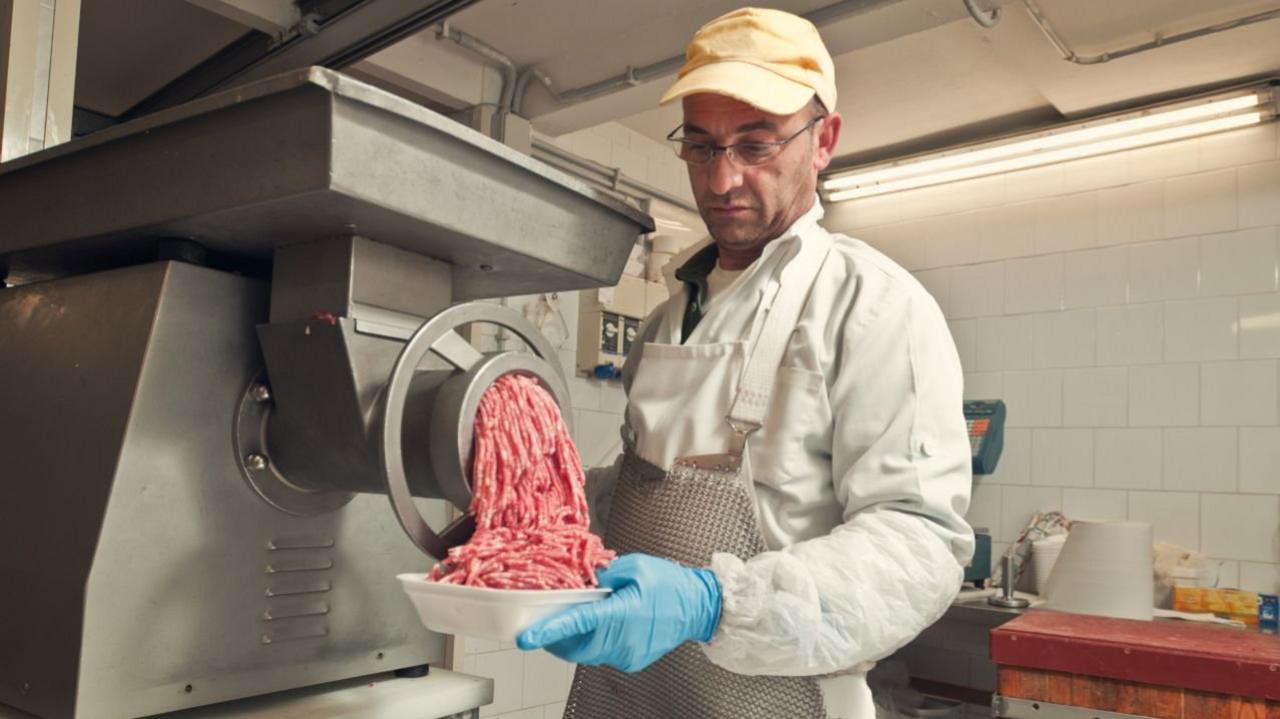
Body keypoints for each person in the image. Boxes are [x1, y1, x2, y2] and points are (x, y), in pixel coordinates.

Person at [517, 8, 974, 718]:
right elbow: (646, 494)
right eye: (700, 147)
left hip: (780, 701)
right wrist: (544, 507)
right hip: (629, 698)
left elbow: (919, 545)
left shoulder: (875, 306)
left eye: (754, 145)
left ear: (824, 140)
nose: (721, 178)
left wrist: (712, 603)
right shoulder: (672, 315)